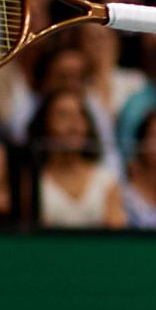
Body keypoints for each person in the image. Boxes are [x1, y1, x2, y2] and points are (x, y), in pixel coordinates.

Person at [29, 86, 124, 228]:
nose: (74, 124)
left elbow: (118, 236)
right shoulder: (33, 182)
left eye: (80, 115)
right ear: (45, 123)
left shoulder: (105, 180)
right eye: (63, 115)